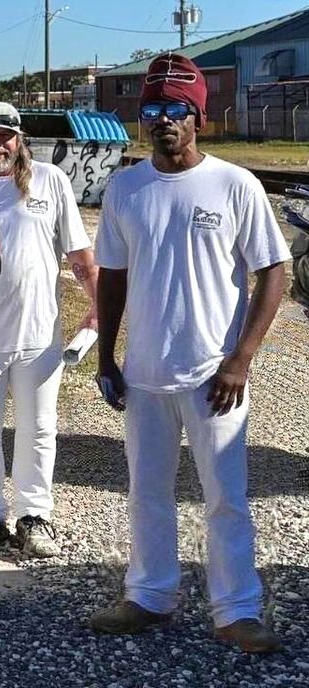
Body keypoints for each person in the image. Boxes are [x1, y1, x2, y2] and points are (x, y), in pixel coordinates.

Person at [87, 53, 286, 654]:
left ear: (199, 115)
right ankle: (149, 595)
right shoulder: (126, 187)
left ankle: (236, 610)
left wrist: (240, 359)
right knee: (147, 491)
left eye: (177, 109)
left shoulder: (234, 184)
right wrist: (106, 357)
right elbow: (113, 279)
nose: (164, 120)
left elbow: (272, 271)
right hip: (146, 376)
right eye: (153, 110)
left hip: (213, 375)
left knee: (224, 496)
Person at [0, 101, 97, 559]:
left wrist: (99, 309)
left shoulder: (51, 181)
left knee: (39, 429)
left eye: (5, 135)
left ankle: (34, 515)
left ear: (19, 139)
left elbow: (79, 255)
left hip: (39, 336)